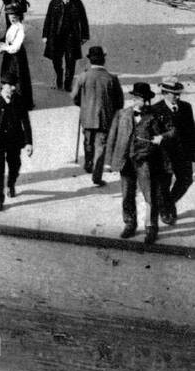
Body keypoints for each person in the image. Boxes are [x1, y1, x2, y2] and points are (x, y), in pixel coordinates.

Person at [104, 83, 172, 244]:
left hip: (146, 161)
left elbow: (172, 130)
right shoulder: (121, 114)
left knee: (150, 196)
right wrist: (108, 162)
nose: (137, 101)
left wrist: (161, 137)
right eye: (135, 98)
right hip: (125, 161)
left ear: (147, 100)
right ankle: (129, 224)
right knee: (127, 194)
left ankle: (151, 227)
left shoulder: (156, 116)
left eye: (140, 99)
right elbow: (112, 138)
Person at [71, 46, 124, 186]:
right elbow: (120, 102)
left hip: (87, 116)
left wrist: (82, 105)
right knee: (101, 145)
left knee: (88, 141)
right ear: (104, 60)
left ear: (89, 60)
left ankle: (88, 163)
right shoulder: (111, 78)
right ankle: (97, 175)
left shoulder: (83, 76)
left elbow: (75, 97)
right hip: (105, 118)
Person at [0, 76, 32, 212]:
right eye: (10, 85)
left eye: (14, 85)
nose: (14, 88)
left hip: (15, 140)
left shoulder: (19, 100)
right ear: (3, 86)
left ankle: (11, 184)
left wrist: (29, 143)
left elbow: (26, 122)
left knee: (15, 165)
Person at [158, 79, 194, 224]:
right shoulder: (156, 109)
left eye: (178, 94)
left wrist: (193, 153)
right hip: (164, 155)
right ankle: (167, 210)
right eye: (174, 94)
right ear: (164, 93)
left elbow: (192, 131)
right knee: (164, 184)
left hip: (183, 153)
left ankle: (168, 204)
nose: (177, 97)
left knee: (186, 180)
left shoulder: (186, 107)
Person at [42, 0, 90, 92]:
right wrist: (45, 35)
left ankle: (68, 83)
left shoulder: (77, 3)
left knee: (71, 60)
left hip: (71, 37)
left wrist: (84, 35)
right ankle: (59, 75)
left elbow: (83, 20)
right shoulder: (54, 3)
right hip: (56, 36)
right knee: (56, 60)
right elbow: (48, 19)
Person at [0, 1, 33, 109]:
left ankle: (20, 103)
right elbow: (9, 41)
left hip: (16, 57)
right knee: (9, 78)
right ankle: (10, 100)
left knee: (17, 79)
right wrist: (2, 45)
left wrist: (4, 48)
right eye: (10, 15)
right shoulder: (13, 26)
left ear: (19, 16)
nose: (12, 18)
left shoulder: (20, 28)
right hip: (10, 55)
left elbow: (16, 47)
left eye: (15, 16)